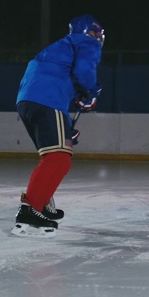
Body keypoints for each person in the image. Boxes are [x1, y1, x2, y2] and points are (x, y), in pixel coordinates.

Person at [12, 14, 105, 238]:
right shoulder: (85, 42)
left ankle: (40, 203)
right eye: (97, 35)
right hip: (48, 100)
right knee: (59, 159)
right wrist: (91, 93)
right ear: (91, 33)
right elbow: (84, 71)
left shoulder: (59, 48)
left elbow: (53, 77)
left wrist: (67, 124)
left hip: (28, 101)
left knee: (56, 154)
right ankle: (31, 209)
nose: (98, 40)